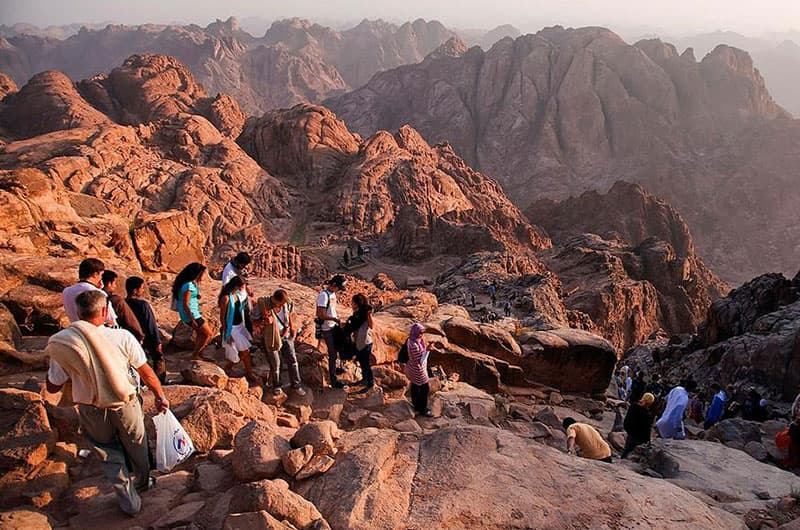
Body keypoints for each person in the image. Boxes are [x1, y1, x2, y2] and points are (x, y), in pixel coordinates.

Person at [45, 290, 169, 516]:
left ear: (78, 313)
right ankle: (142, 482)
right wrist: (160, 395)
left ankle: (129, 501)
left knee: (108, 453)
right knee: (137, 444)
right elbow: (146, 372)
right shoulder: (121, 337)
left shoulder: (64, 343)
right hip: (125, 402)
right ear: (104, 311)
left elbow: (53, 386)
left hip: (90, 407)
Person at [254, 289, 306, 396]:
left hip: (285, 335)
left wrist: (292, 328)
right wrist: (264, 322)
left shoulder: (287, 303)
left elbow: (290, 314)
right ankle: (277, 385)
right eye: (281, 304)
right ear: (275, 301)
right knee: (276, 363)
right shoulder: (264, 304)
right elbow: (254, 320)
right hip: (271, 337)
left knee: (292, 360)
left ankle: (296, 385)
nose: (282, 306)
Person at [219, 276, 260, 385]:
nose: (243, 288)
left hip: (240, 327)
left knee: (245, 351)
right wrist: (227, 333)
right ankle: (230, 367)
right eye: (242, 286)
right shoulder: (226, 298)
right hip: (232, 329)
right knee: (245, 351)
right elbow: (222, 318)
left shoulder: (237, 295)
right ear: (236, 286)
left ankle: (246, 371)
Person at [125, 276, 166, 385]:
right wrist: (157, 342)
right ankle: (159, 383)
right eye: (142, 288)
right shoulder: (142, 305)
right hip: (146, 338)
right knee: (157, 360)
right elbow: (151, 324)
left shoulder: (123, 304)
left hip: (130, 338)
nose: (143, 291)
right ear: (135, 290)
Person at [172, 262, 214, 360]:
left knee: (200, 334)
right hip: (192, 314)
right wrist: (193, 320)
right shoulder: (189, 285)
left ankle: (198, 354)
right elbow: (186, 304)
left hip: (192, 313)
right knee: (208, 334)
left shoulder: (186, 283)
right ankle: (195, 354)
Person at [62, 258, 117, 326]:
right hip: (96, 332)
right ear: (95, 274)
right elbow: (110, 321)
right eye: (101, 275)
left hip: (76, 329)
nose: (101, 278)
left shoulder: (66, 291)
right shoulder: (97, 293)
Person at [317, 275, 347, 389]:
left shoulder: (332, 294)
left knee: (342, 346)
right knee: (332, 353)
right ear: (333, 285)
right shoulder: (323, 296)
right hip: (327, 328)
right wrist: (334, 319)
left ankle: (337, 369)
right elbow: (320, 314)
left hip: (334, 326)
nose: (339, 290)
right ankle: (333, 380)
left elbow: (331, 310)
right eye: (338, 288)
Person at [101, 270, 144, 343]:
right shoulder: (116, 300)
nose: (115, 286)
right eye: (114, 283)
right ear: (109, 283)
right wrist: (139, 335)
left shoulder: (91, 295)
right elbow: (130, 321)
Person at [345, 293, 375, 394]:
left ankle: (370, 384)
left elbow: (371, 326)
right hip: (359, 343)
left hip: (365, 343)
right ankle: (364, 379)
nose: (351, 304)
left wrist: (369, 315)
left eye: (352, 302)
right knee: (362, 363)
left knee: (366, 364)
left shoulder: (364, 313)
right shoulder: (356, 314)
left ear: (357, 303)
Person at [405, 323, 432, 417]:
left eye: (422, 332)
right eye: (420, 333)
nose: (422, 335)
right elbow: (420, 360)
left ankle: (416, 406)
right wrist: (428, 350)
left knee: (415, 386)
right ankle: (423, 409)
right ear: (416, 332)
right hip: (418, 369)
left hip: (413, 367)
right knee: (425, 388)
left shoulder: (411, 339)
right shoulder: (414, 345)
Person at [622, 393, 655, 458]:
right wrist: (647, 440)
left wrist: (628, 429)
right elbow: (647, 429)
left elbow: (627, 419)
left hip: (630, 433)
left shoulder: (634, 406)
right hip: (639, 438)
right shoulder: (646, 414)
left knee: (626, 450)